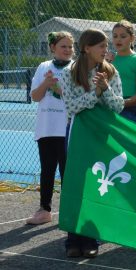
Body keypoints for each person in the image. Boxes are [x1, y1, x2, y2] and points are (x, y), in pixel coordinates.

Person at [60, 28, 124, 258]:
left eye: (106, 46)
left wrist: (104, 89)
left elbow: (118, 106)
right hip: (78, 134)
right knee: (76, 184)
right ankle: (73, 239)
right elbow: (72, 107)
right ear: (87, 48)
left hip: (101, 135)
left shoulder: (110, 72)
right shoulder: (69, 73)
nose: (106, 50)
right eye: (101, 46)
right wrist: (94, 93)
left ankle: (91, 238)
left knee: (96, 184)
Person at [26, 31, 74, 225]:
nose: (68, 50)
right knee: (47, 170)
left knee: (67, 171)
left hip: (67, 130)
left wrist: (58, 89)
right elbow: (35, 97)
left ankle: (69, 210)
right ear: (53, 47)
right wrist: (46, 83)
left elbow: (74, 98)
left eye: (71, 46)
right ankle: (44, 210)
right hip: (46, 129)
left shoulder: (76, 68)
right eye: (64, 46)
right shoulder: (43, 67)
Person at [106, 20, 136, 123]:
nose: (118, 40)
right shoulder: (108, 59)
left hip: (128, 110)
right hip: (107, 107)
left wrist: (121, 103)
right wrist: (106, 63)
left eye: (123, 36)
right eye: (115, 36)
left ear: (132, 38)